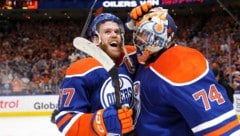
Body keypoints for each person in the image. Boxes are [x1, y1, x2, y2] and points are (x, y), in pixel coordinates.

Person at [125, 3, 240, 136]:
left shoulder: (180, 62)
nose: (138, 40)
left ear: (161, 34)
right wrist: (133, 20)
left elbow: (223, 130)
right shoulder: (146, 61)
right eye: (137, 34)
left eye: (143, 34)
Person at [54, 13, 137, 136]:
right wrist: (102, 121)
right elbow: (65, 122)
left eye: (117, 32)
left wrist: (146, 18)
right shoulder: (82, 70)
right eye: (107, 32)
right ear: (96, 39)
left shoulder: (131, 58)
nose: (114, 34)